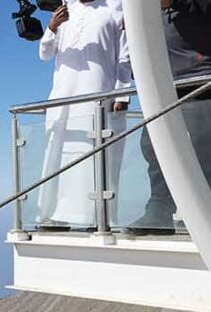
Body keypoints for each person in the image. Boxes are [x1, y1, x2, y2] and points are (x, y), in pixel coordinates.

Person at [36, 0, 132, 230]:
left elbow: (125, 55)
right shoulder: (65, 8)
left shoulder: (116, 6)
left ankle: (96, 218)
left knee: (96, 155)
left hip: (98, 92)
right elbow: (45, 54)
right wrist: (52, 27)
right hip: (62, 95)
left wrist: (122, 93)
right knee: (57, 154)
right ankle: (52, 216)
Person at [127, 0, 211, 234]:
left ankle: (201, 211)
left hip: (199, 82)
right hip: (162, 86)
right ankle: (159, 212)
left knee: (202, 151)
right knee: (153, 149)